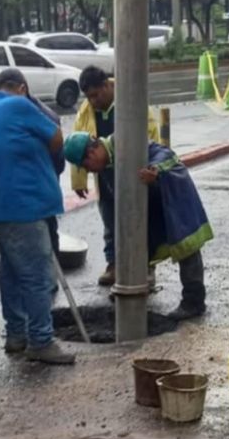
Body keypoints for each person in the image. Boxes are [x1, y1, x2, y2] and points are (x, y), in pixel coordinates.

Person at [0, 68, 74, 364]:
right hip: (26, 208)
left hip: (0, 211)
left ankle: (16, 335)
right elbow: (56, 138)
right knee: (37, 276)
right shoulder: (18, 104)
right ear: (20, 88)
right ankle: (41, 341)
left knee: (12, 273)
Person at [63, 132, 211, 320]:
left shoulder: (124, 140)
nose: (89, 170)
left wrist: (155, 170)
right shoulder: (106, 167)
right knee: (143, 248)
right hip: (152, 207)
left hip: (173, 196)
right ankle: (132, 290)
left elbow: (163, 153)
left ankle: (194, 302)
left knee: (187, 248)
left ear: (92, 153)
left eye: (86, 166)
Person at [71, 65, 159, 288]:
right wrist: (78, 180)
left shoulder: (130, 99)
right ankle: (114, 264)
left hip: (133, 172)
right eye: (88, 97)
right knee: (109, 220)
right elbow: (78, 143)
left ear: (106, 86)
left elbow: (152, 136)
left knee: (140, 219)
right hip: (104, 175)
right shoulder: (87, 111)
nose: (93, 101)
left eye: (95, 95)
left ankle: (145, 266)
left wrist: (155, 169)